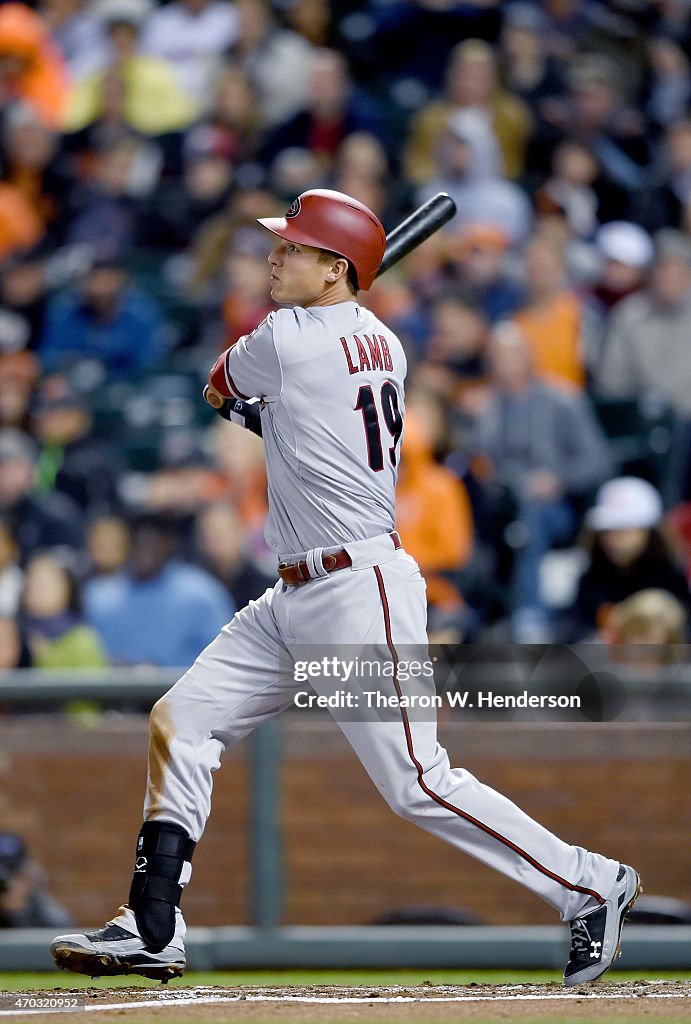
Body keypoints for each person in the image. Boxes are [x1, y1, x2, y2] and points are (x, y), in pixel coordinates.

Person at [51, 188, 640, 987]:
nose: (274, 257)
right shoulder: (384, 341)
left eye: (294, 249)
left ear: (335, 270)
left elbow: (224, 376)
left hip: (357, 589)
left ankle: (588, 882)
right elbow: (297, 413)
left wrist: (231, 400)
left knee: (416, 781)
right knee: (183, 718)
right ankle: (153, 923)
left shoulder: (286, 336)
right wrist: (258, 413)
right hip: (291, 593)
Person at [0, 832, 73, 928]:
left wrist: (19, 913)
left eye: (14, 874)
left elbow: (62, 929)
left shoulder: (40, 907)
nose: (9, 884)